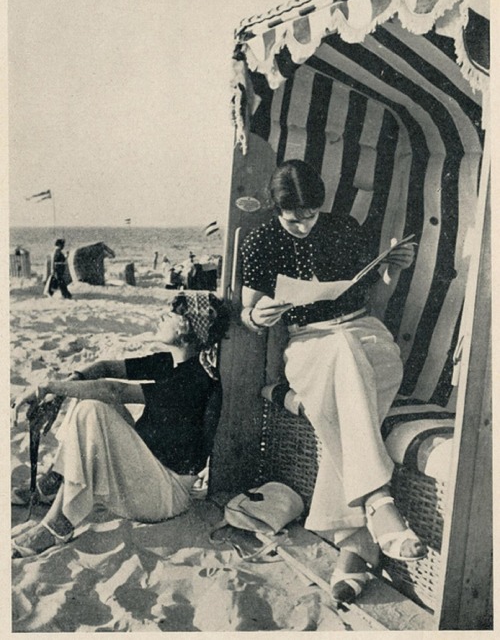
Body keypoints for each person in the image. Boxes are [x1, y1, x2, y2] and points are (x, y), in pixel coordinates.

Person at [240, 160, 423, 606]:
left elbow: (374, 297)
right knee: (339, 352)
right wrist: (256, 315)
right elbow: (249, 311)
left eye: (310, 215)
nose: (302, 225)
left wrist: (393, 270)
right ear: (276, 209)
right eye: (292, 217)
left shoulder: (345, 227)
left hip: (368, 338)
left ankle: (359, 539)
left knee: (346, 362)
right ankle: (376, 504)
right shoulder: (261, 240)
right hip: (309, 346)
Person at [11, 291, 229, 558]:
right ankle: (56, 480)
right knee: (86, 396)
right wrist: (69, 384)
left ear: (186, 328)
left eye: (170, 315)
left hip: (165, 496)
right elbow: (105, 367)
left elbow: (114, 391)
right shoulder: (171, 362)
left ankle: (58, 524)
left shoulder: (196, 378)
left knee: (92, 406)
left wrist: (48, 387)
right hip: (150, 474)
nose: (162, 316)